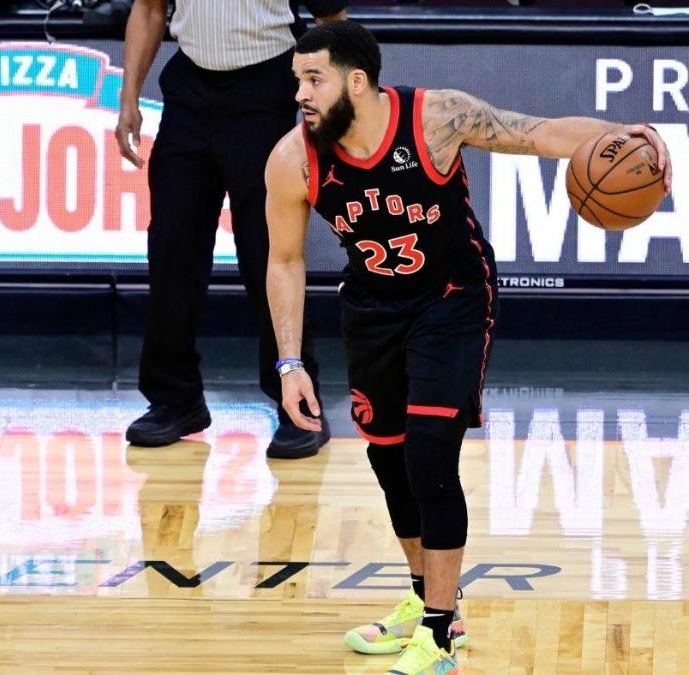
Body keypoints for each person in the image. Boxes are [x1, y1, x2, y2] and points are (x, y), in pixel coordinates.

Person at [264, 21, 671, 674]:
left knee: (429, 457)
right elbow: (283, 261)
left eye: (314, 79)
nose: (301, 94)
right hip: (371, 308)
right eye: (297, 81)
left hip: (451, 296)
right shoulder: (293, 159)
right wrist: (288, 362)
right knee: (390, 463)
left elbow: (536, 132)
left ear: (357, 81)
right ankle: (426, 595)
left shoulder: (435, 118)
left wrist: (618, 137)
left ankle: (441, 629)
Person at [116, 0, 349, 458]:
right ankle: (174, 399)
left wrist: (331, 110)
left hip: (266, 92)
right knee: (172, 252)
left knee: (267, 256)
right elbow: (147, 9)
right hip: (189, 92)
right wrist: (128, 99)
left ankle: (297, 403)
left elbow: (332, 23)